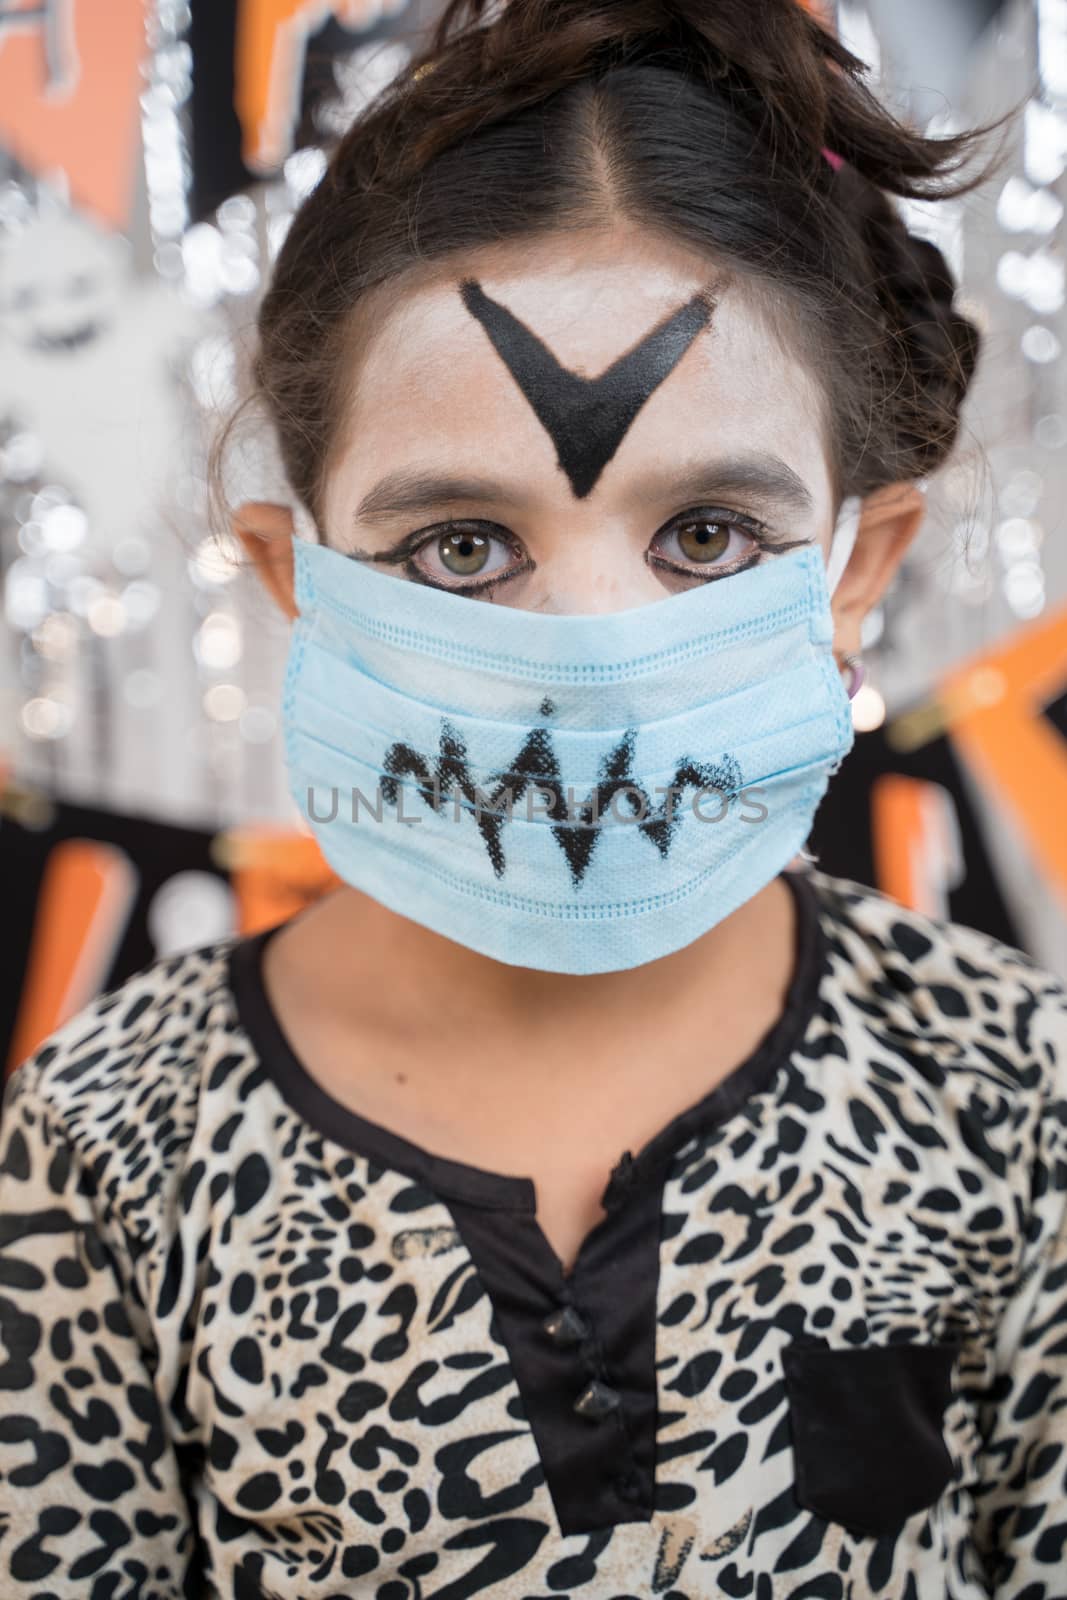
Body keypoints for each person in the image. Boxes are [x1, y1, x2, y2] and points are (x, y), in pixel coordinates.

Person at [1, 1, 1064, 1595]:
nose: (592, 662)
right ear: (300, 576)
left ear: (863, 572)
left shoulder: (1014, 1096)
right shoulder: (104, 1143)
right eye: (462, 549)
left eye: (705, 535)